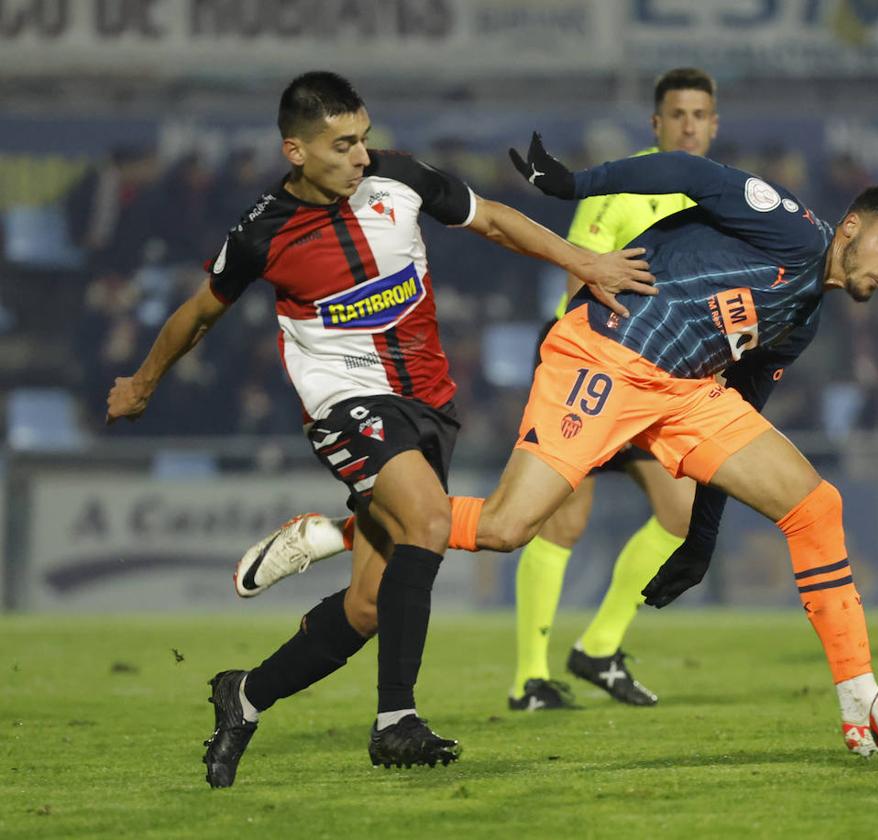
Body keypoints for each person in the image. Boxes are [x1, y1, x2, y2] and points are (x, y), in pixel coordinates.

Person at [104, 71, 653, 788]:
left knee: (367, 605)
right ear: (296, 151)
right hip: (345, 401)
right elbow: (199, 313)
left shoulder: (400, 179)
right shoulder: (263, 232)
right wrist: (142, 383)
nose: (362, 155)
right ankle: (397, 721)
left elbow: (493, 219)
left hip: (429, 405)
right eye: (343, 144)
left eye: (363, 137)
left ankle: (245, 694)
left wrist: (583, 260)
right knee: (427, 519)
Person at [233, 67, 721, 712]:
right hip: (600, 365)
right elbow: (584, 273)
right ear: (656, 123)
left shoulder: (715, 195)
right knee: (547, 522)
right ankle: (525, 678)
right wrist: (584, 362)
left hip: (662, 372)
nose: (689, 126)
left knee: (678, 514)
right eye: (677, 114)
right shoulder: (628, 185)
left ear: (715, 123)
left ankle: (597, 646)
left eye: (700, 115)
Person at [445, 133, 878, 756]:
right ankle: (357, 528)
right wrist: (573, 185)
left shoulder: (800, 318)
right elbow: (688, 172)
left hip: (683, 393)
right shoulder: (793, 229)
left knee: (816, 507)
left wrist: (700, 541)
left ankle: (862, 707)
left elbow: (739, 421)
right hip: (609, 355)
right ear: (852, 227)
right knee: (505, 528)